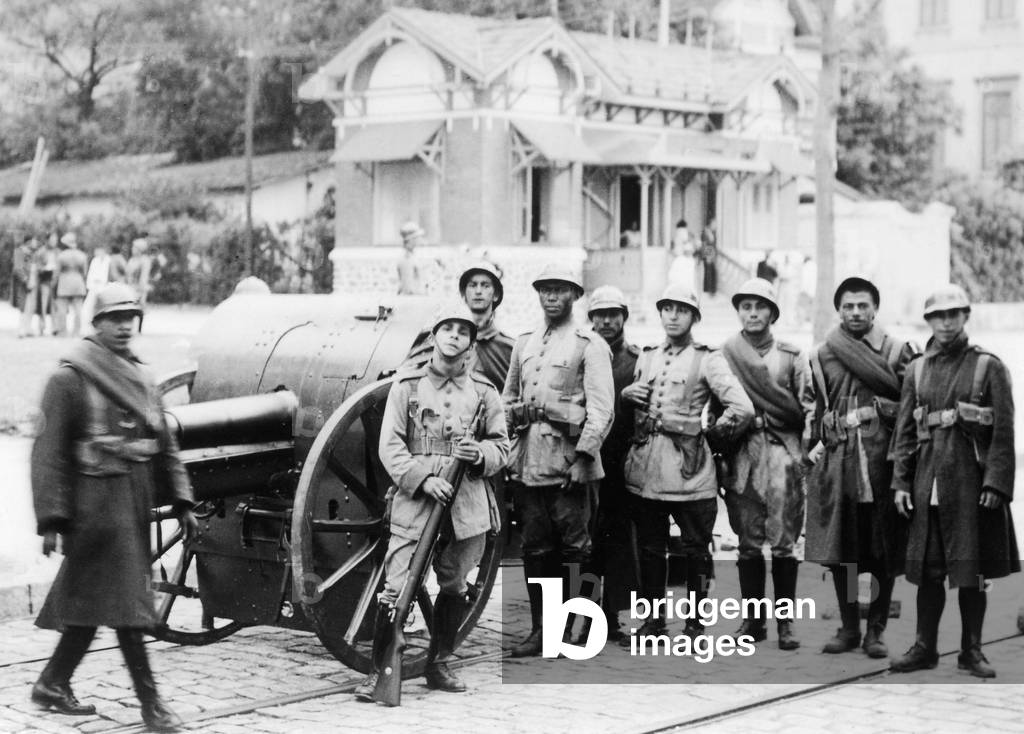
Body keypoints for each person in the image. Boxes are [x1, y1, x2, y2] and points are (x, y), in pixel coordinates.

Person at [30, 283, 196, 732]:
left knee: (94, 601)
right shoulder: (70, 378)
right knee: (126, 604)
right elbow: (48, 454)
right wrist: (51, 519)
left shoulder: (141, 376)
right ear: (96, 322)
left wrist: (182, 500)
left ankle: (52, 682)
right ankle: (152, 705)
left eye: (130, 318)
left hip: (133, 502)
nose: (124, 326)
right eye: (114, 318)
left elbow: (165, 445)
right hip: (92, 507)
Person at [355, 305, 509, 700]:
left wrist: (480, 455)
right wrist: (423, 480)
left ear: (471, 343)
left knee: (455, 583)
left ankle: (438, 663)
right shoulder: (406, 386)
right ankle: (379, 672)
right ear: (435, 336)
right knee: (396, 586)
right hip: (416, 503)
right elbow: (390, 447)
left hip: (467, 503)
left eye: (463, 331)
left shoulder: (485, 392)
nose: (455, 335)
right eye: (448, 328)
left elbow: (501, 448)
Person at [889, 285, 1018, 678]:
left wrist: (996, 483)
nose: (945, 323)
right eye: (938, 316)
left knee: (972, 573)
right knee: (928, 573)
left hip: (970, 484)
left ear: (965, 317)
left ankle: (971, 651)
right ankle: (924, 648)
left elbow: (1003, 432)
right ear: (928, 320)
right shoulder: (916, 369)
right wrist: (901, 482)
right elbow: (905, 432)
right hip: (928, 483)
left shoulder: (987, 366)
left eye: (953, 314)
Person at [620, 284, 753, 642]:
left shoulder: (708, 359)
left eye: (681, 310)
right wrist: (627, 396)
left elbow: (742, 408)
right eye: (667, 309)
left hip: (690, 472)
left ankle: (694, 625)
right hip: (647, 469)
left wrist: (711, 437)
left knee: (696, 551)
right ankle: (654, 623)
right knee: (650, 549)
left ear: (694, 317)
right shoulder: (647, 356)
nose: (673, 316)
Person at [805, 276, 919, 659]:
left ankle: (877, 631)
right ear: (839, 310)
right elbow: (818, 411)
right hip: (839, 464)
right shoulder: (822, 354)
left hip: (881, 462)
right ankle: (850, 627)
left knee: (882, 552)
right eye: (848, 306)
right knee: (844, 553)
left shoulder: (898, 351)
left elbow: (911, 408)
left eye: (862, 305)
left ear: (875, 309)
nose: (855, 312)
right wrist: (814, 456)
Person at [504, 264, 614, 657]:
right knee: (535, 549)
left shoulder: (590, 344)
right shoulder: (525, 343)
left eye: (560, 289)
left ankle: (575, 628)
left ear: (575, 295)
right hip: (530, 462)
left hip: (570, 464)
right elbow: (508, 398)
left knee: (576, 550)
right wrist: (508, 447)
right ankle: (542, 629)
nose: (551, 297)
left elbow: (601, 410)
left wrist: (584, 458)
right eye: (545, 290)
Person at [720, 278, 813, 650]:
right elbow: (714, 406)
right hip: (743, 453)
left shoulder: (791, 356)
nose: (753, 313)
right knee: (747, 542)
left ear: (773, 313)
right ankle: (753, 622)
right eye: (746, 306)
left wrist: (803, 457)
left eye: (760, 306)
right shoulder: (726, 354)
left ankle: (785, 624)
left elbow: (809, 410)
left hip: (781, 454)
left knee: (784, 543)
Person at [585, 285, 640, 642]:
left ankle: (613, 613)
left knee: (620, 539)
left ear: (624, 317)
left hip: (622, 460)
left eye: (613, 314)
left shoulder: (637, 361)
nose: (606, 321)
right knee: (585, 539)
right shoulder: (583, 352)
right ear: (591, 318)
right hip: (587, 458)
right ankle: (585, 613)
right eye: (600, 314)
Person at [405, 262, 515, 392]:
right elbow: (411, 379)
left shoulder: (509, 348)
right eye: (472, 285)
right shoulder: (438, 337)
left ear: (495, 295)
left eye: (485, 286)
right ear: (463, 294)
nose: (478, 291)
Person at [54, 232, 88, 338]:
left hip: (64, 282)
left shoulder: (61, 256)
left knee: (62, 309)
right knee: (78, 309)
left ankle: (62, 331)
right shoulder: (82, 255)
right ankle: (76, 331)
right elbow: (84, 272)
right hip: (78, 282)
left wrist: (54, 284)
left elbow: (56, 272)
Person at [82, 244, 112, 325]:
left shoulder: (109, 260)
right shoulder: (95, 260)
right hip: (94, 285)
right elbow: (91, 273)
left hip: (104, 285)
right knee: (89, 304)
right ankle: (88, 321)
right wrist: (89, 285)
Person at [16, 235, 39, 338]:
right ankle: (21, 329)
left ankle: (28, 328)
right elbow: (18, 268)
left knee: (31, 307)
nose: (36, 243)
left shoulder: (33, 253)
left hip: (33, 282)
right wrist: (26, 280)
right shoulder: (20, 251)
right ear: (28, 242)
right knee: (23, 307)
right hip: (24, 284)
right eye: (34, 241)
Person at [396, 221, 426, 295]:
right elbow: (408, 289)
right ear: (411, 239)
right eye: (417, 237)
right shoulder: (406, 259)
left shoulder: (412, 256)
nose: (419, 239)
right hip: (413, 299)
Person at [669, 219, 696, 291]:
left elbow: (674, 248)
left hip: (677, 258)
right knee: (687, 279)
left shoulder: (676, 234)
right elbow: (688, 248)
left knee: (678, 279)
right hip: (684, 259)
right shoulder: (684, 233)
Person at [126, 237, 153, 307]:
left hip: (139, 288)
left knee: (139, 307)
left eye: (134, 247)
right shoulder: (131, 260)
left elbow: (144, 276)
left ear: (139, 249)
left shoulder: (145, 260)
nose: (132, 249)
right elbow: (128, 274)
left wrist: (140, 290)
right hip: (129, 288)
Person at [699, 220, 718, 296]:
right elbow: (704, 245)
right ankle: (707, 290)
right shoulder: (705, 232)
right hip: (708, 254)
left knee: (712, 272)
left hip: (712, 254)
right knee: (708, 272)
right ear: (710, 223)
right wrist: (706, 256)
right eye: (714, 224)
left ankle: (711, 290)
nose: (715, 226)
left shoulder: (712, 232)